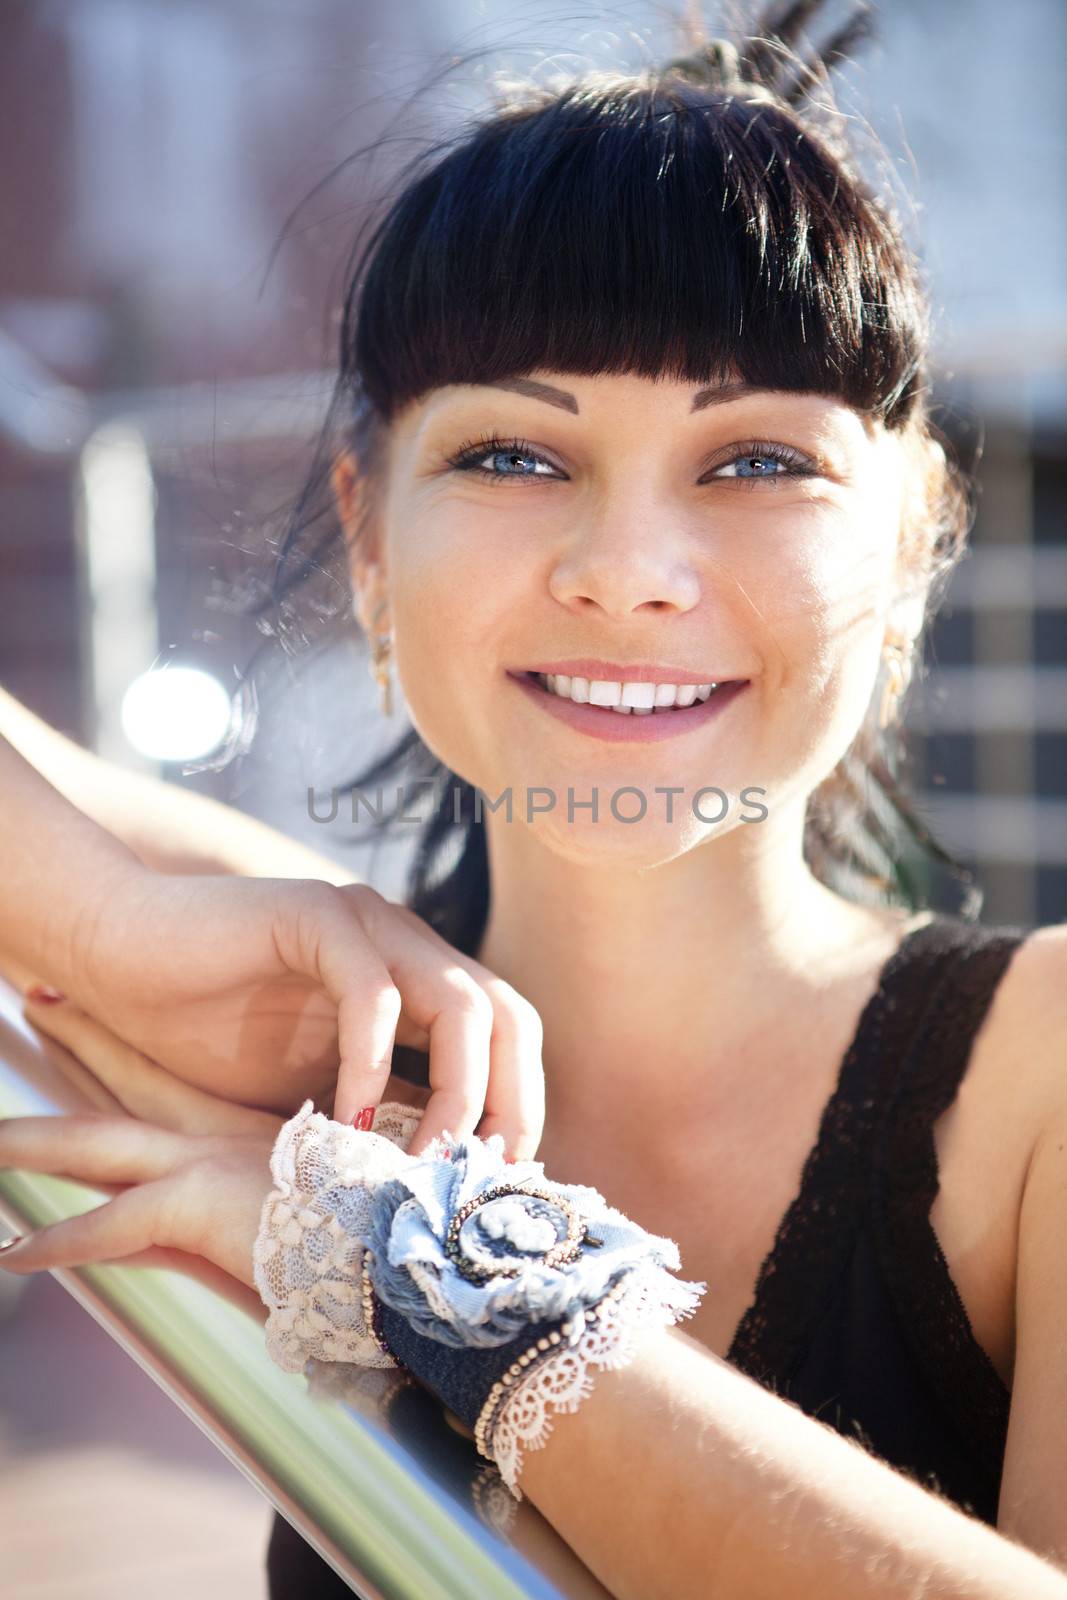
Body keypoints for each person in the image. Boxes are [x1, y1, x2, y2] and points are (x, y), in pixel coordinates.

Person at [2, 3, 1067, 1596]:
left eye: (758, 462)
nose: (627, 574)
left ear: (913, 539)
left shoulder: (1036, 1075)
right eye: (513, 455)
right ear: (370, 537)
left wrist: (439, 1286)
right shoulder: (293, 1009)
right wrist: (104, 912)